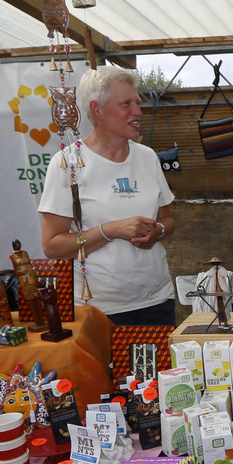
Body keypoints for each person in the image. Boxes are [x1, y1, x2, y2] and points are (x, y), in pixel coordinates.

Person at [38, 67, 176, 327]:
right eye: (126, 104)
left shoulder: (147, 157)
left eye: (137, 103)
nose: (138, 111)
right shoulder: (68, 162)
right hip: (97, 311)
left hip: (157, 302)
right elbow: (52, 246)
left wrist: (156, 231)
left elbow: (168, 219)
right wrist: (110, 231)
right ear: (98, 110)